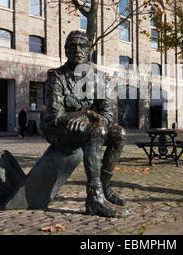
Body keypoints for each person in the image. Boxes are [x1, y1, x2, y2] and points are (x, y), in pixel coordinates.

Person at [40, 30, 127, 217]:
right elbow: (55, 114)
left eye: (82, 46)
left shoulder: (99, 77)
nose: (78, 50)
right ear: (66, 50)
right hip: (58, 129)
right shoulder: (56, 76)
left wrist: (86, 119)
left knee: (118, 133)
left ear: (89, 51)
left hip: (84, 126)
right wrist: (86, 114)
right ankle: (94, 198)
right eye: (73, 46)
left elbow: (108, 114)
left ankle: (104, 188)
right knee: (97, 130)